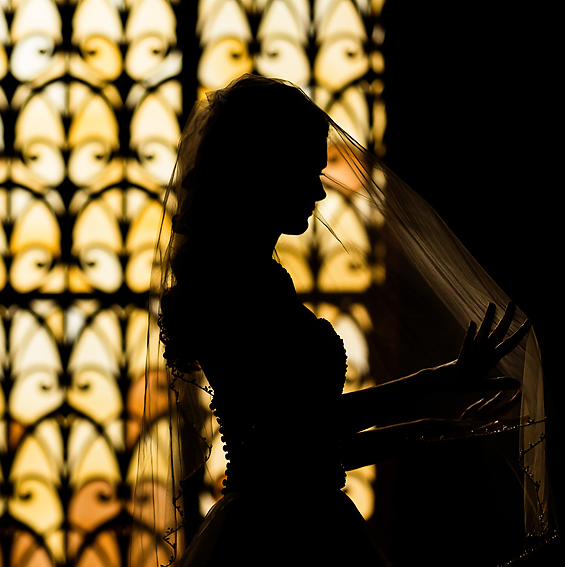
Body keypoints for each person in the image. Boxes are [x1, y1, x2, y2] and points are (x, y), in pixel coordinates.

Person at [133, 75, 554, 566]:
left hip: (285, 521)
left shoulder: (257, 281)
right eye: (307, 169)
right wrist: (437, 387)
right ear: (264, 170)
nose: (320, 191)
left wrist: (435, 420)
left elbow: (306, 452)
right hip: (283, 541)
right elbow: (303, 433)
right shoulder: (240, 289)